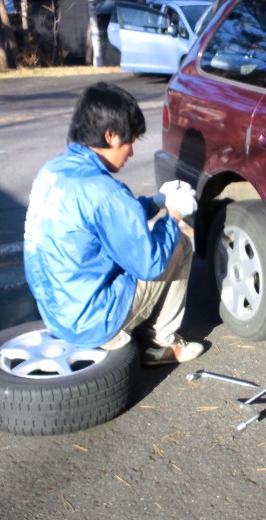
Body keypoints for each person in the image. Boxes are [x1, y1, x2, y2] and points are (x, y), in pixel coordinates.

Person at [24, 81, 204, 366]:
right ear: (110, 135)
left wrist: (156, 201)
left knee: (143, 240)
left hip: (56, 311)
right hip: (94, 322)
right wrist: (174, 216)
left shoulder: (54, 170)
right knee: (179, 242)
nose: (131, 152)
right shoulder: (105, 192)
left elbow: (110, 219)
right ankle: (160, 342)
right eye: (130, 141)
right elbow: (150, 264)